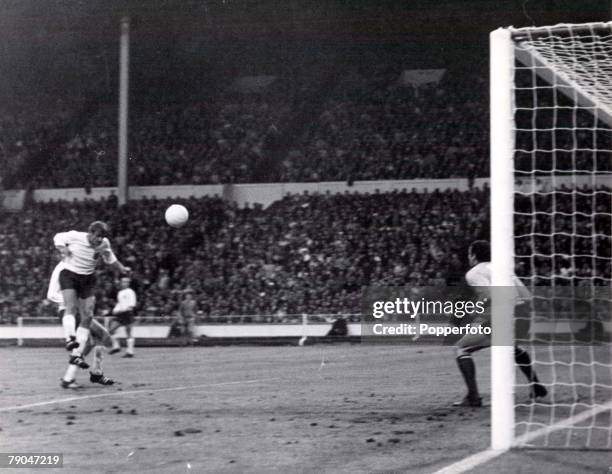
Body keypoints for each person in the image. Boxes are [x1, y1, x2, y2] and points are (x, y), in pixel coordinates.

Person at [453, 240, 547, 407]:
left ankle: (473, 397)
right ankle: (536, 385)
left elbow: (488, 296)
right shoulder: (503, 269)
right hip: (523, 318)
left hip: (503, 316)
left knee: (461, 348)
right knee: (513, 347)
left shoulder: (474, 273)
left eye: (469, 254)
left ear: (474, 256)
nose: (468, 257)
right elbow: (527, 295)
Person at [53, 221, 131, 370]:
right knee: (71, 307)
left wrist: (123, 270)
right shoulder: (76, 236)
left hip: (87, 279)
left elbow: (111, 259)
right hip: (70, 275)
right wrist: (63, 249)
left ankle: (77, 356)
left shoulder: (104, 243)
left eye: (102, 237)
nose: (100, 239)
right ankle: (70, 339)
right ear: (90, 232)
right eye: (97, 236)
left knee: (88, 316)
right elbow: (58, 237)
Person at [47, 260, 116, 389]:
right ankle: (76, 377)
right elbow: (51, 295)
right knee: (101, 336)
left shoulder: (83, 266)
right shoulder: (62, 268)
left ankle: (84, 375)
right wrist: (72, 302)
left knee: (97, 339)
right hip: (70, 312)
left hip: (82, 312)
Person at [109, 277, 138, 358]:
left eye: (126, 282)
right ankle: (116, 347)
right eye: (123, 282)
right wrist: (115, 309)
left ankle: (130, 352)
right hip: (120, 314)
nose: (124, 283)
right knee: (111, 330)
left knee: (128, 332)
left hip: (127, 313)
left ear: (128, 283)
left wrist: (126, 309)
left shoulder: (130, 292)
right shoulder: (120, 292)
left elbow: (132, 304)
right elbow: (120, 303)